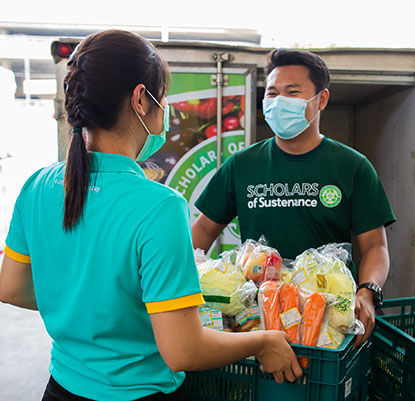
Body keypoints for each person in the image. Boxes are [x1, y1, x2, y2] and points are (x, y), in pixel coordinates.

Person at [0, 30, 301, 401]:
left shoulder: (38, 185)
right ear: (141, 99)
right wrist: (263, 341)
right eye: (163, 97)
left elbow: (11, 288)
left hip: (60, 388)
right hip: (138, 394)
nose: (166, 108)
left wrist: (84, 305)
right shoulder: (157, 206)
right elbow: (182, 350)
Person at [192, 49, 396, 347]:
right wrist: (178, 285)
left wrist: (367, 291)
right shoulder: (242, 165)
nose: (278, 102)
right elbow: (203, 231)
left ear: (321, 99)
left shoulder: (352, 166)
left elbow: (375, 246)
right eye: (272, 93)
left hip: (328, 317)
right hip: (257, 321)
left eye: (292, 92)